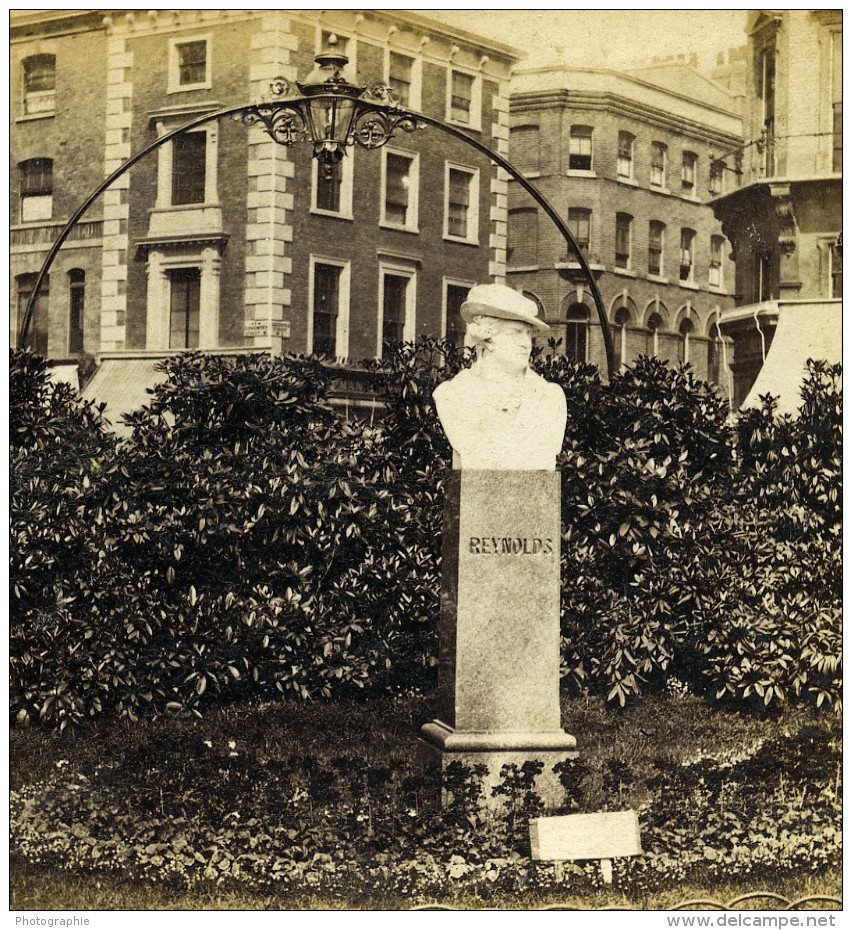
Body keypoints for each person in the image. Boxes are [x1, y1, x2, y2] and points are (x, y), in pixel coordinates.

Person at [433, 283, 567, 470]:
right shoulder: (454, 395)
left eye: (529, 334)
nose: (526, 344)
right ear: (488, 338)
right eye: (516, 333)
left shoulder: (550, 398)